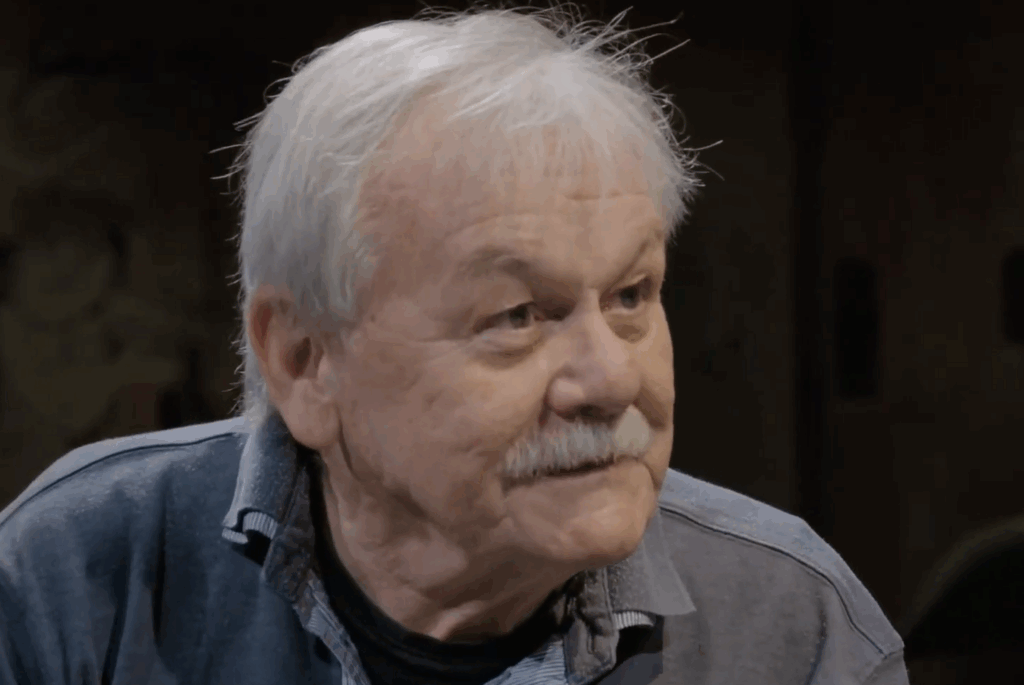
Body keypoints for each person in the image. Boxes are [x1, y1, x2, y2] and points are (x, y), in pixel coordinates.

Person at [0, 4, 908, 683]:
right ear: (306, 360)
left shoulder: (794, 631)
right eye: (518, 315)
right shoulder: (78, 579)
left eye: (631, 295)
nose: (610, 377)